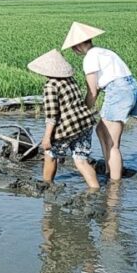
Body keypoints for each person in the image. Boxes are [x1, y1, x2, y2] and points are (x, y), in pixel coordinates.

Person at [62, 22, 137, 181]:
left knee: (113, 144)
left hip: (119, 92)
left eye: (73, 47)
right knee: (100, 129)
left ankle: (114, 184)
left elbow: (93, 90)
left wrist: (82, 112)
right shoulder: (104, 52)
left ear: (78, 46)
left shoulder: (89, 58)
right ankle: (108, 168)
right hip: (133, 90)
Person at [28, 49, 99, 189]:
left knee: (50, 154)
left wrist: (46, 138)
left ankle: (47, 186)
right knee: (81, 160)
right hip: (85, 123)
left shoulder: (50, 86)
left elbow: (52, 115)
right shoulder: (70, 80)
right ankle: (95, 189)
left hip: (69, 127)